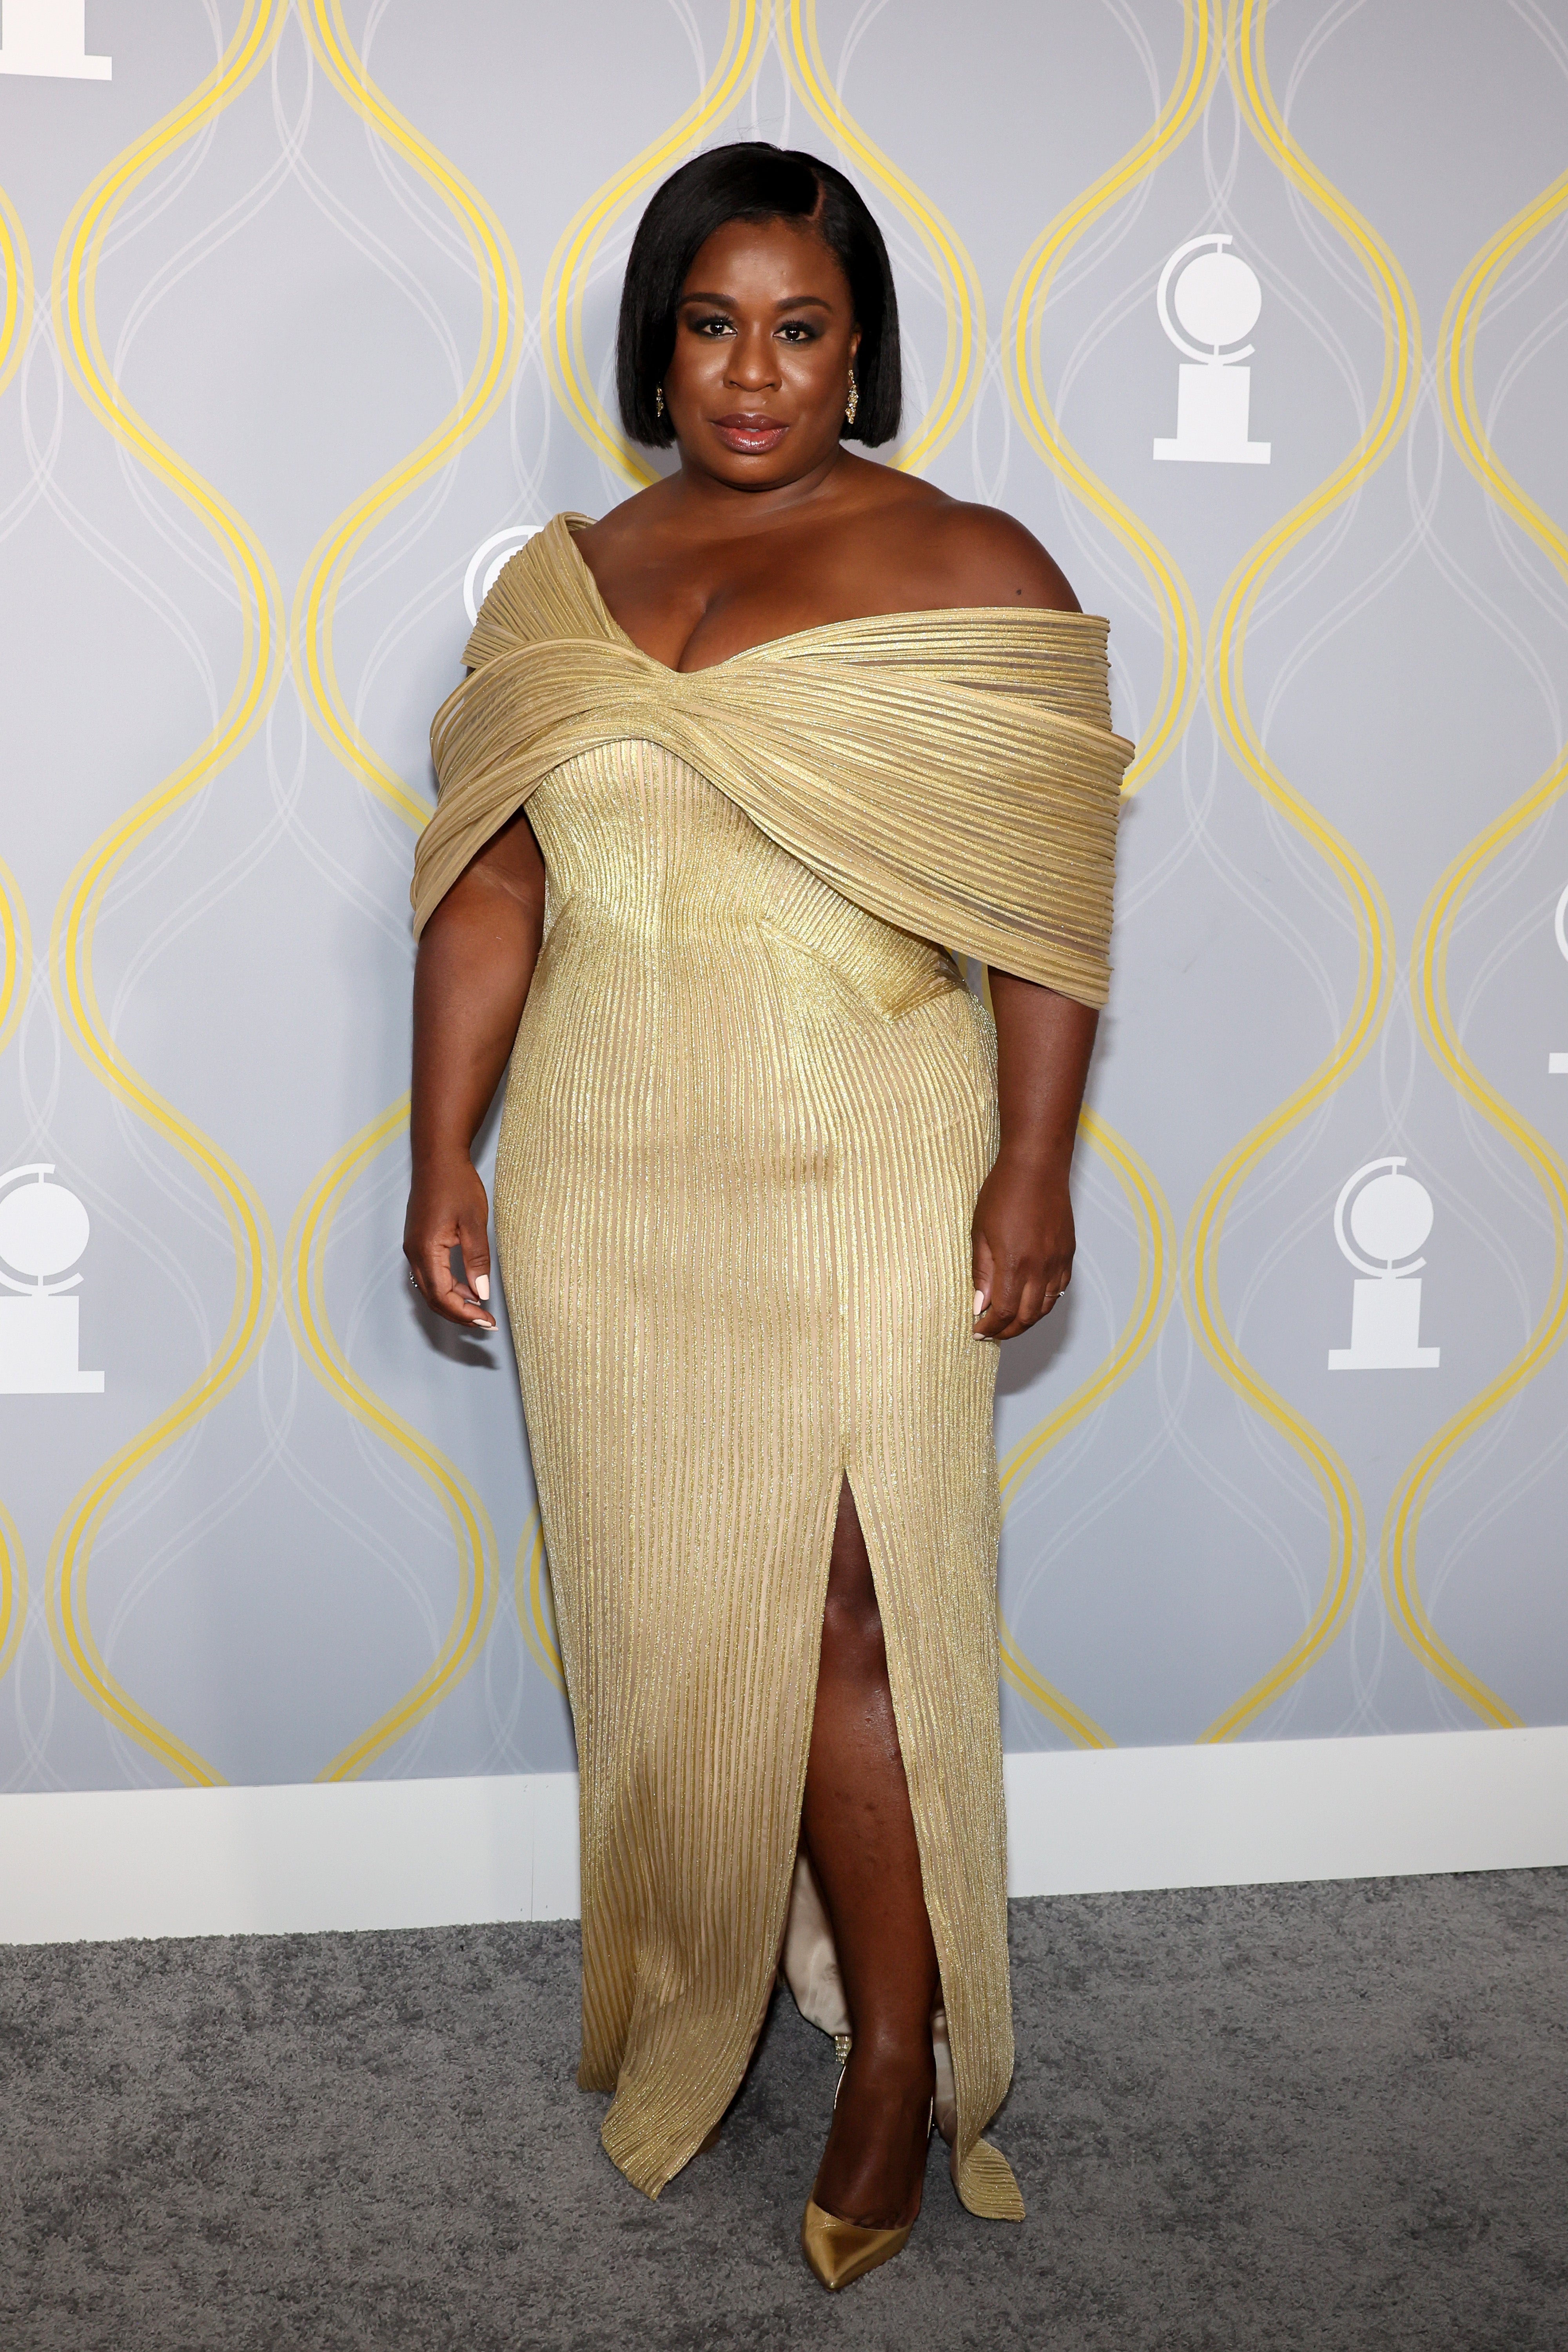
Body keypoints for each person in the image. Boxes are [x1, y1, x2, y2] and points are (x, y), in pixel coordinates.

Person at [404, 142, 1129, 2292]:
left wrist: (1032, 1159)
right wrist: (445, 1145)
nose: (752, 371)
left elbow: (1052, 914)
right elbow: (498, 873)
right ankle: (713, 1968)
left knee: (845, 1606)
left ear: (857, 344)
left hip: (862, 1135)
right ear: (658, 343)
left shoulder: (971, 560)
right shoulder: (561, 581)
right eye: (711, 324)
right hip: (610, 1161)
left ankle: (899, 2047)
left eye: (799, 327)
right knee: (661, 1609)